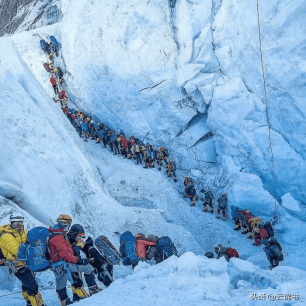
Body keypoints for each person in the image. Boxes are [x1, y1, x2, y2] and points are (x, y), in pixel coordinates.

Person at [48, 214, 94, 306]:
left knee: (62, 282)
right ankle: (66, 301)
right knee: (62, 282)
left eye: (67, 223)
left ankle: (67, 300)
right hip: (61, 263)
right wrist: (78, 260)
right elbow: (64, 254)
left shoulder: (59, 233)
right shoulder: (58, 236)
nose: (66, 225)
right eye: (64, 223)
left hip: (61, 263)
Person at [0, 213, 45, 306]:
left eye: (20, 222)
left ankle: (29, 302)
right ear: (11, 222)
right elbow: (18, 251)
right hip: (16, 264)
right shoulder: (6, 236)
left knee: (27, 284)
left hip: (26, 262)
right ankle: (38, 304)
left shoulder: (23, 232)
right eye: (16, 222)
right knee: (32, 285)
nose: (18, 224)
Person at [67, 225, 102, 300]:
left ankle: (76, 296)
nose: (81, 237)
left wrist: (87, 243)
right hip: (70, 262)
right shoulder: (69, 240)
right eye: (80, 235)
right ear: (74, 233)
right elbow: (69, 254)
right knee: (77, 278)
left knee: (76, 278)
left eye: (82, 235)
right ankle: (86, 293)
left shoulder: (73, 238)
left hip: (74, 261)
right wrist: (78, 247)